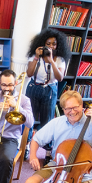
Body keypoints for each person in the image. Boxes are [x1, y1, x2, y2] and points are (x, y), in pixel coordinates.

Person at [25, 28, 71, 164]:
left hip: (49, 90)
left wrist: (51, 61)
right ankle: (27, 146)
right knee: (29, 119)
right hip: (34, 88)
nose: (51, 46)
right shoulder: (35, 55)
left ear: (58, 45)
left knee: (48, 121)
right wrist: (36, 57)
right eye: (48, 43)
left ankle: (48, 150)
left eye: (54, 44)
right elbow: (29, 73)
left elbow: (60, 77)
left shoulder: (60, 59)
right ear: (42, 44)